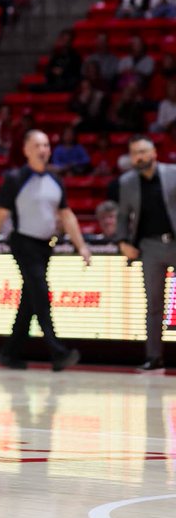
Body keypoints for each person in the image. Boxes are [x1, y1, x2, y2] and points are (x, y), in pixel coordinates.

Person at [0, 129, 91, 370]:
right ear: (26, 150)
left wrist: (81, 246)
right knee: (41, 294)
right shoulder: (15, 179)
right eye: (37, 145)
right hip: (23, 243)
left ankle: (9, 353)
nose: (43, 150)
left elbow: (67, 215)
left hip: (44, 247)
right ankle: (58, 352)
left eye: (46, 145)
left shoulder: (56, 180)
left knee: (30, 299)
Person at [114, 135, 176, 373]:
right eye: (134, 153)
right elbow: (122, 216)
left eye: (142, 151)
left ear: (153, 153)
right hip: (149, 247)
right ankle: (154, 357)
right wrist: (121, 241)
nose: (139, 156)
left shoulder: (172, 173)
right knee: (153, 305)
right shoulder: (127, 182)